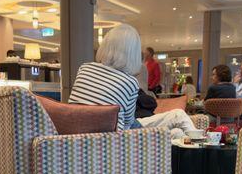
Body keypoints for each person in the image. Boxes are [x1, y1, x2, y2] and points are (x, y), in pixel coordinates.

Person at [69, 24, 197, 140]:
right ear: (133, 53)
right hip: (119, 141)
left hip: (86, 140)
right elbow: (129, 123)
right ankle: (204, 146)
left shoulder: (84, 68)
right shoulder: (129, 82)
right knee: (178, 115)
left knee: (176, 134)